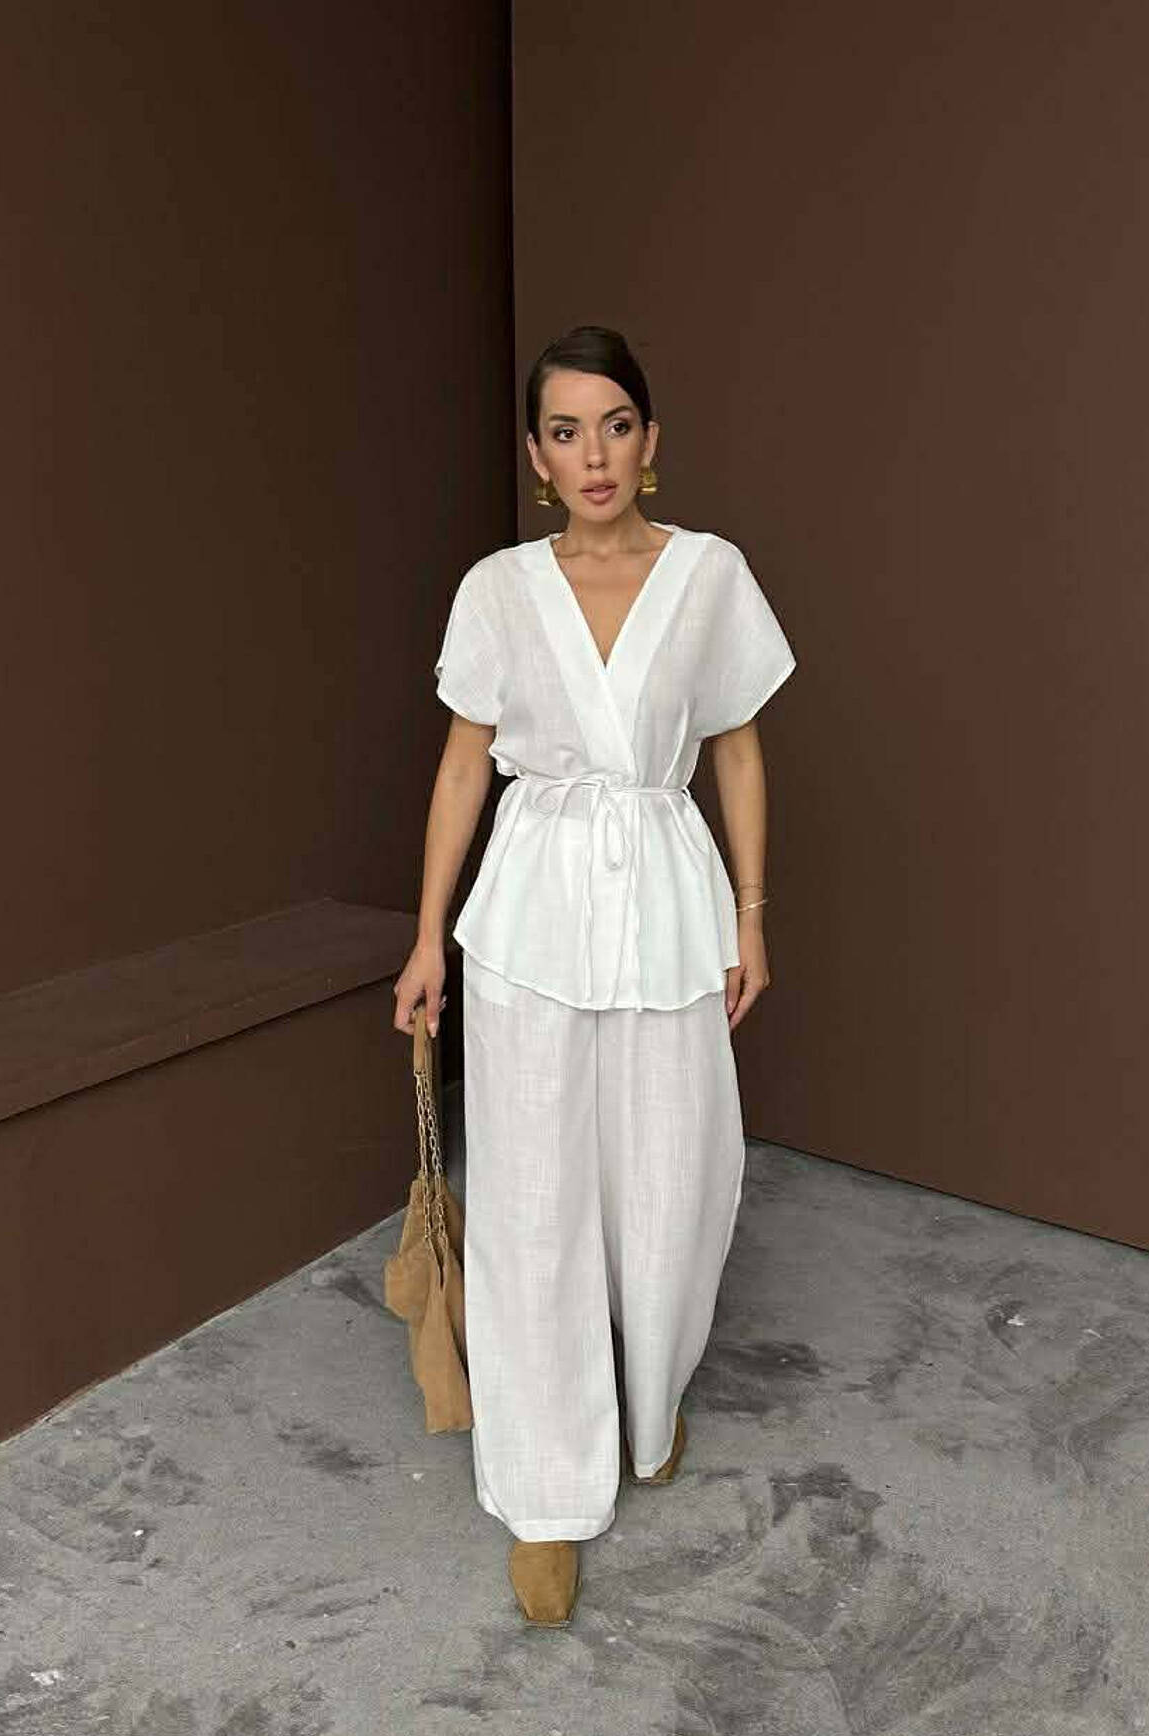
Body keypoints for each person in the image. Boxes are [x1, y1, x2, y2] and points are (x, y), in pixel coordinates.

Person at [393, 324, 796, 1627]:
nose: (594, 455)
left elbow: (736, 749)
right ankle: (548, 1494)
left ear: (650, 439)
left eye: (615, 425)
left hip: (671, 905)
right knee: (533, 1201)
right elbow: (465, 765)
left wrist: (751, 918)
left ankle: (651, 1400)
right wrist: (426, 936)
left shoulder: (711, 574)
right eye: (565, 432)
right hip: (529, 916)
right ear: (537, 455)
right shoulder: (500, 589)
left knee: (677, 1181)